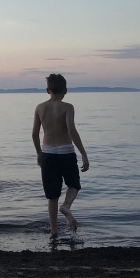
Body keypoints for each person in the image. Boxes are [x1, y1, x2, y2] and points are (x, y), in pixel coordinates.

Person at [32, 74, 89, 236]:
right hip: (66, 152)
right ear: (65, 90)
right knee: (74, 185)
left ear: (47, 90)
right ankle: (66, 207)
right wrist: (83, 153)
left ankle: (54, 230)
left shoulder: (40, 107)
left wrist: (38, 153)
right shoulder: (67, 107)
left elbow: (34, 134)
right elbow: (71, 130)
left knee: (52, 195)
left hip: (48, 153)